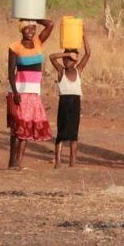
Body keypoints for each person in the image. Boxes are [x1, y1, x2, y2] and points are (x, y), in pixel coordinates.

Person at [6, 18, 55, 170]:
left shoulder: (39, 42)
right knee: (17, 128)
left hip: (33, 92)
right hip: (19, 91)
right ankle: (13, 162)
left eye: (33, 29)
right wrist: (15, 92)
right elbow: (10, 72)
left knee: (25, 127)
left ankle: (18, 162)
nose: (30, 32)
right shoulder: (15, 47)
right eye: (27, 29)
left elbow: (50, 24)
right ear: (21, 30)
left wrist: (33, 14)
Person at [48, 36, 90, 168]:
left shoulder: (78, 70)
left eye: (71, 59)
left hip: (75, 104)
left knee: (73, 135)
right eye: (65, 59)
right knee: (60, 134)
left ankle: (73, 162)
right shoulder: (61, 71)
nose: (67, 61)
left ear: (76, 60)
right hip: (64, 104)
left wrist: (83, 35)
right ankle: (58, 162)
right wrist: (67, 53)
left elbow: (88, 53)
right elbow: (51, 57)